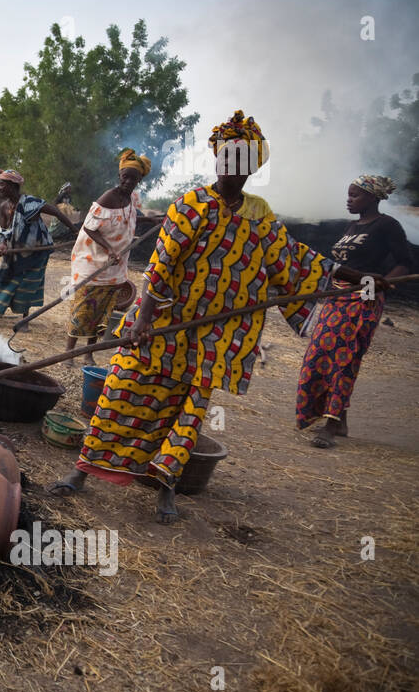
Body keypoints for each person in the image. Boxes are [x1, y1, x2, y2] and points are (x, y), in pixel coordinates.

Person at [46, 111, 384, 523]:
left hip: (213, 340)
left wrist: (362, 277)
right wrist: (142, 320)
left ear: (251, 168)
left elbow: (297, 260)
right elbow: (161, 266)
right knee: (121, 392)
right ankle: (82, 471)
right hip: (164, 325)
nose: (231, 167)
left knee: (187, 415)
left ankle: (166, 488)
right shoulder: (191, 205)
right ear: (218, 159)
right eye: (226, 157)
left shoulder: (260, 216)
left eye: (241, 161)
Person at [296, 175, 411, 447]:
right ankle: (338, 418)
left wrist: (377, 287)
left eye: (355, 195)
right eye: (348, 194)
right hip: (336, 297)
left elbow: (404, 263)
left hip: (363, 299)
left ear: (372, 197)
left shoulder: (387, 225)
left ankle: (332, 424)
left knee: (345, 358)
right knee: (319, 354)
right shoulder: (351, 226)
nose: (349, 199)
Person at [64, 150, 147, 365]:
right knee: (82, 310)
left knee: (101, 314)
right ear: (119, 176)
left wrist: (156, 221)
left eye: (133, 178)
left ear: (140, 179)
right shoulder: (108, 197)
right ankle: (68, 354)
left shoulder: (132, 199)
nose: (128, 181)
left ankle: (88, 354)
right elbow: (90, 228)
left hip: (115, 268)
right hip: (93, 264)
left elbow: (133, 219)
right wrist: (110, 250)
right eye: (125, 176)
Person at [0, 169, 77, 324]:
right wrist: (2, 245)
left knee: (27, 283)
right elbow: (4, 229)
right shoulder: (4, 206)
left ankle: (24, 320)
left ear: (13, 186)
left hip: (37, 252)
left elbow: (57, 213)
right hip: (15, 251)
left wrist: (75, 231)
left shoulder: (31, 203)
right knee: (4, 278)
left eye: (2, 185)